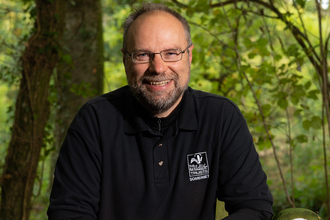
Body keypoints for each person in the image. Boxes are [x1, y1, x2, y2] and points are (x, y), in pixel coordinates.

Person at [48, 3, 273, 220]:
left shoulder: (220, 117)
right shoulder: (94, 122)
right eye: (143, 55)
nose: (158, 68)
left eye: (172, 53)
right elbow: (68, 213)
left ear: (189, 56)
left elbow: (255, 207)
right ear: (126, 59)